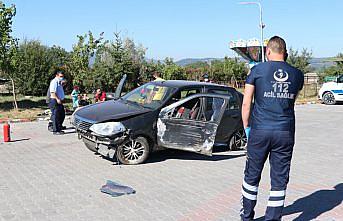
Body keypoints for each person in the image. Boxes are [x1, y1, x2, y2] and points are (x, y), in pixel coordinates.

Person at [240, 36, 304, 221]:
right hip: (285, 132)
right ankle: (273, 218)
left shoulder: (256, 70)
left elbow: (246, 104)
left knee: (252, 175)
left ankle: (247, 216)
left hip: (259, 131)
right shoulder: (297, 74)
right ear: (285, 52)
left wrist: (247, 129)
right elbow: (292, 100)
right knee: (279, 179)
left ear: (268, 51)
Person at [49, 70, 66, 135]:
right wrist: (57, 99)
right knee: (56, 116)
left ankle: (59, 127)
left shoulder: (59, 82)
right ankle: (55, 130)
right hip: (55, 100)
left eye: (62, 76)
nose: (62, 77)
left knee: (62, 114)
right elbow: (53, 92)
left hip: (59, 100)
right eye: (60, 76)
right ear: (57, 75)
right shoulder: (54, 82)